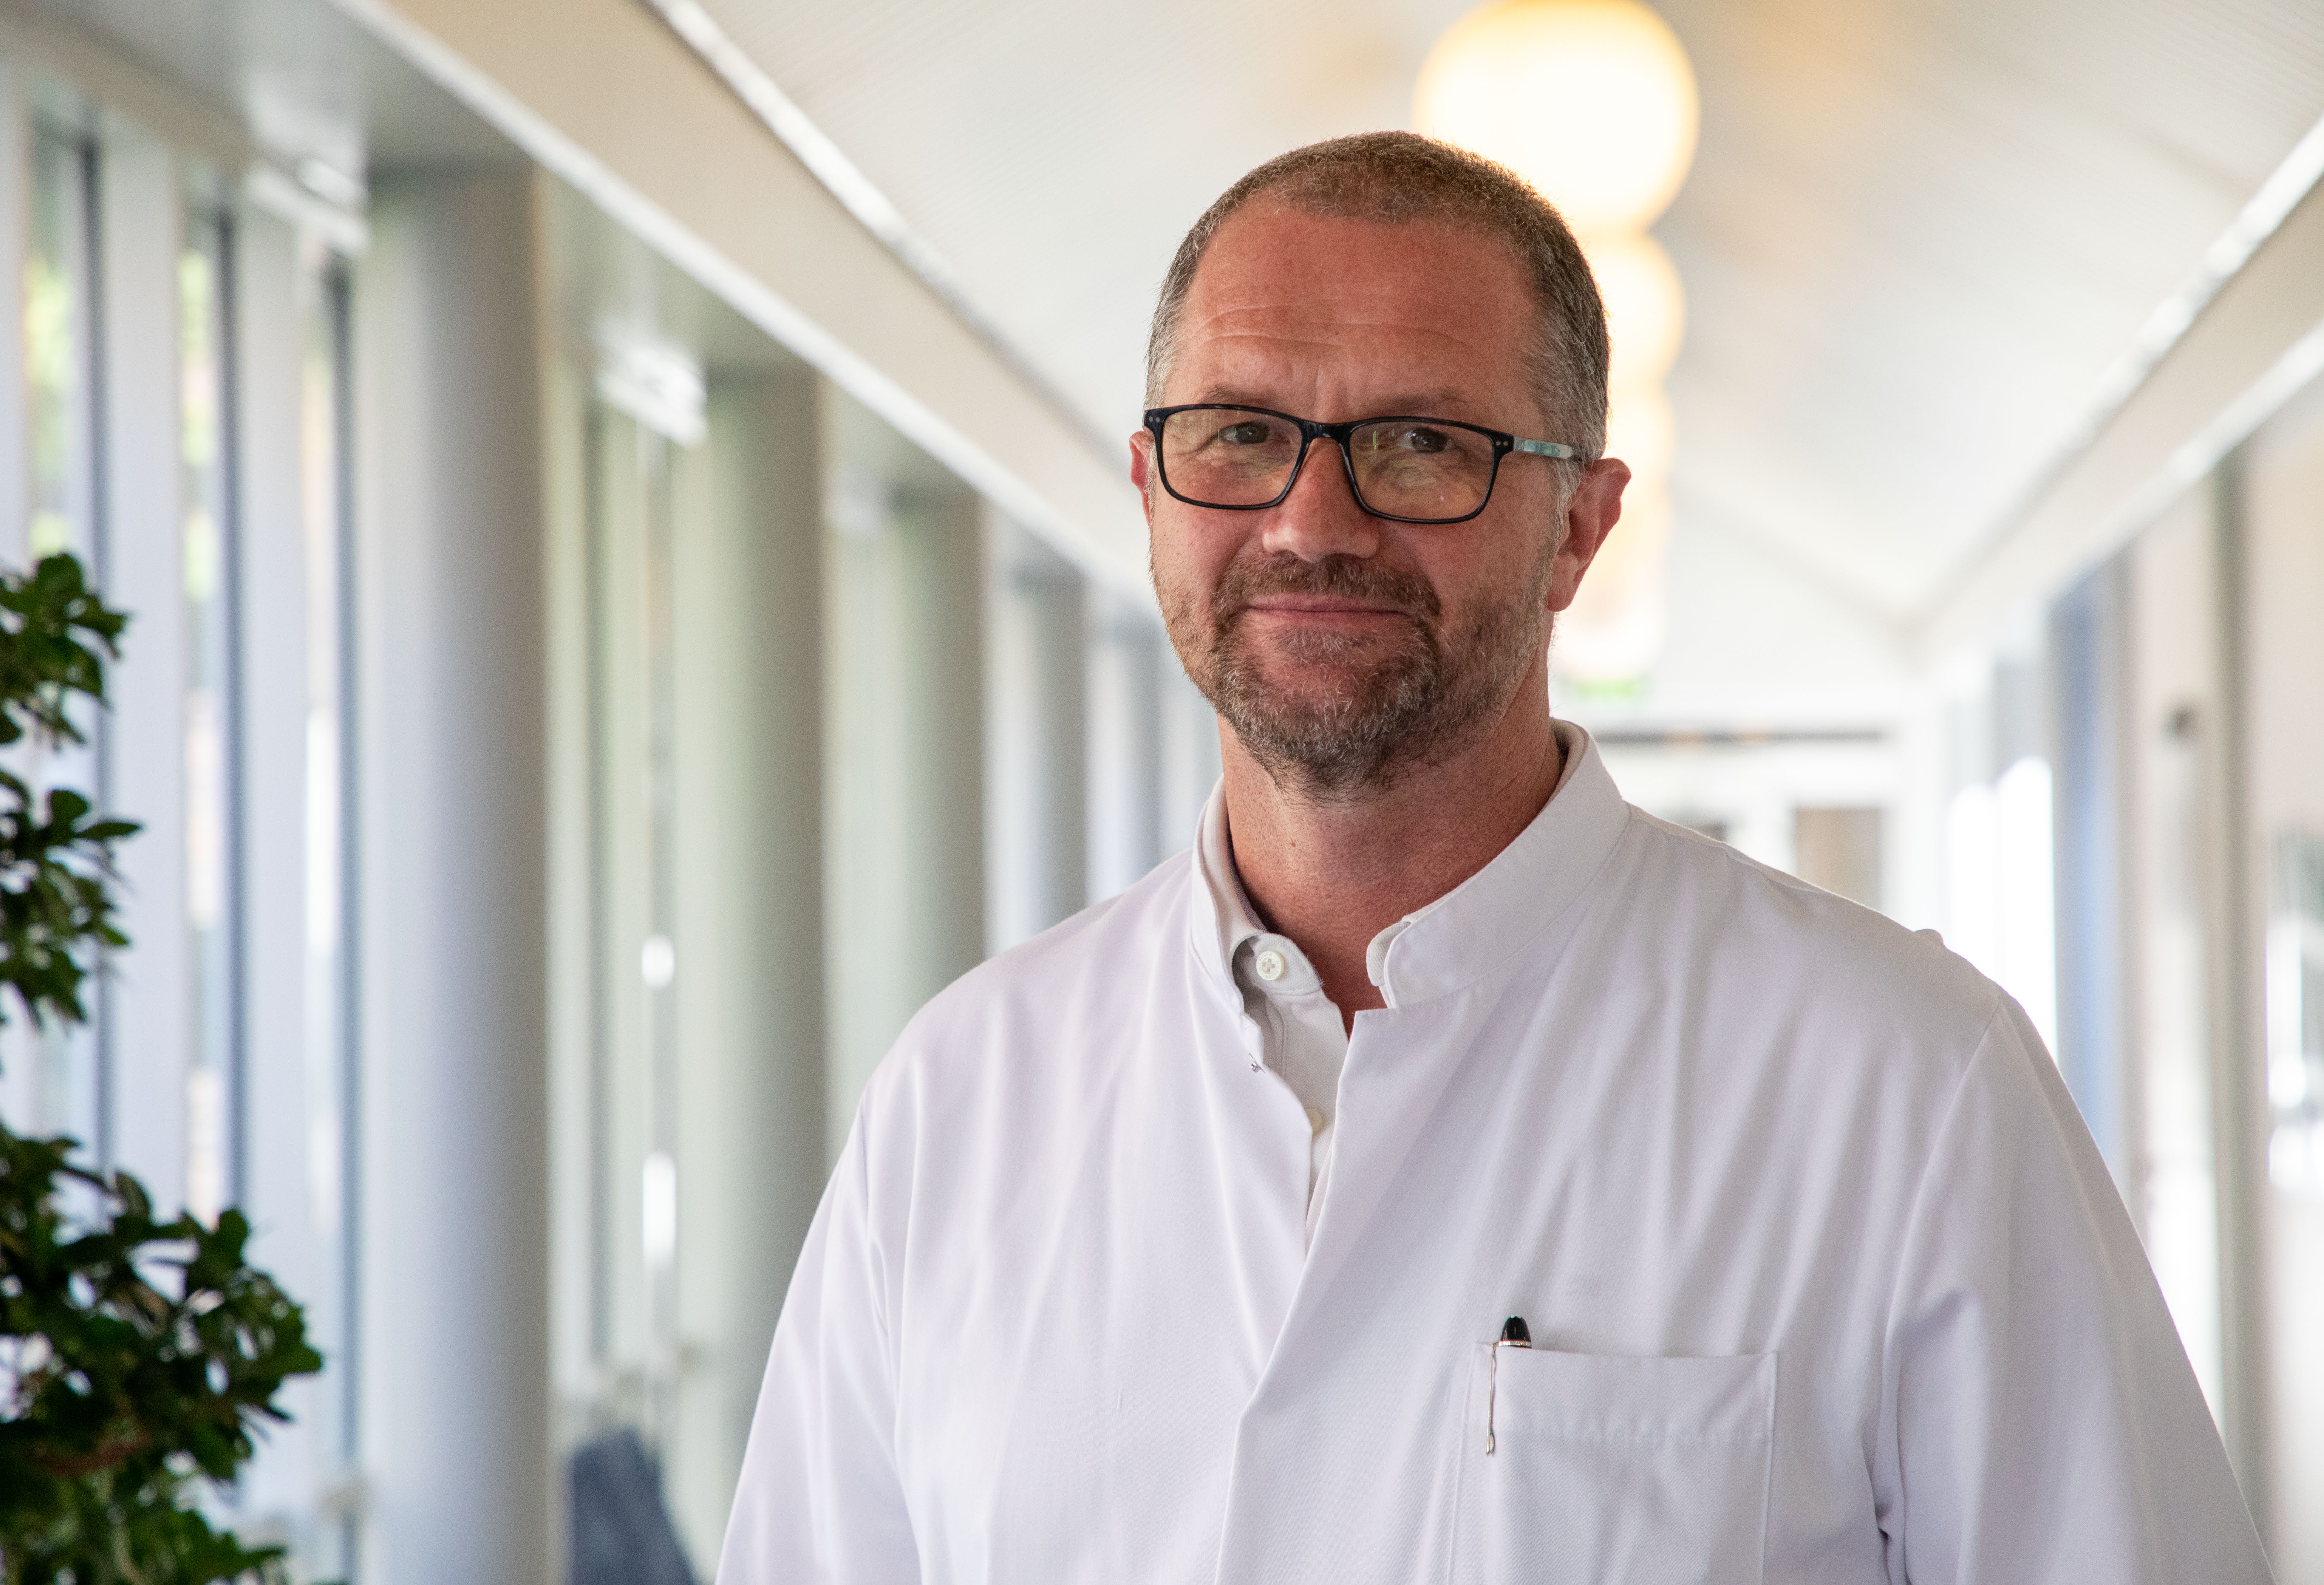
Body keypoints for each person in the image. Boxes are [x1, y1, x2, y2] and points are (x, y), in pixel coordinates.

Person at [718, 131, 2267, 1584]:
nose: (1312, 520)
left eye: (1419, 443)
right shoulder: (958, 1103)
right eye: (1242, 433)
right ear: (1150, 491)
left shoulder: (1908, 1082)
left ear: (1580, 527)